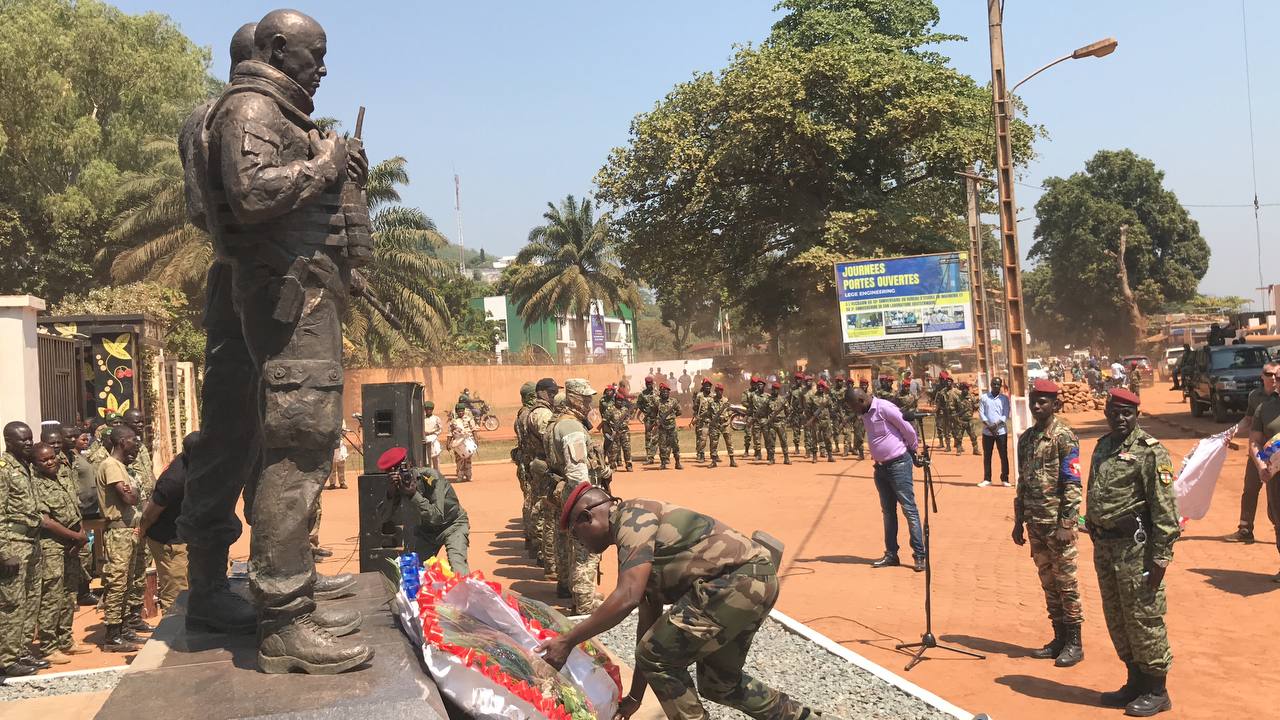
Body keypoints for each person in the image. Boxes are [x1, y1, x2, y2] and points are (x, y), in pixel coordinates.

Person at [179, 10, 370, 672]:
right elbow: (243, 198)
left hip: (262, 283)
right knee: (285, 437)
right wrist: (323, 167)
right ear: (276, 49)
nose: (322, 69)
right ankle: (281, 612)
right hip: (274, 288)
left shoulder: (264, 114)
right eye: (315, 54)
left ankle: (277, 592)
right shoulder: (250, 112)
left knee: (254, 436)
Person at [539, 483, 831, 720]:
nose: (581, 545)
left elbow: (627, 597)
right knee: (720, 684)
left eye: (577, 536)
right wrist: (635, 698)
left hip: (736, 583)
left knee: (657, 655)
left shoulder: (632, 518)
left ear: (587, 517)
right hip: (751, 583)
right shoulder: (635, 545)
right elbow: (648, 626)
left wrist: (567, 641)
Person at [1086, 388, 1178, 716]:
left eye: (1127, 412)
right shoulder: (1102, 447)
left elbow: (1165, 510)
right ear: (1107, 412)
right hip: (1106, 548)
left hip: (1136, 550)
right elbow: (1095, 493)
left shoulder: (1150, 452)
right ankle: (1135, 680)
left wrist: (1161, 559)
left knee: (1144, 617)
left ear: (1137, 414)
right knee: (1118, 617)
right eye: (1115, 411)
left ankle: (1157, 689)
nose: (1121, 418)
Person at [1011, 380, 1085, 668]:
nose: (1036, 406)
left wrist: (1068, 523)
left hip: (1058, 526)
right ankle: (1059, 638)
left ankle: (1075, 643)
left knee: (1067, 584)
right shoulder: (1026, 439)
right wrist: (1018, 520)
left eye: (1043, 401)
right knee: (1048, 582)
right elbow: (1023, 483)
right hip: (1035, 523)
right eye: (1034, 400)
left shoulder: (1065, 437)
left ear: (1056, 405)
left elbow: (1073, 483)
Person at [545, 379, 611, 614]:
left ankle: (581, 595)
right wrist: (590, 502)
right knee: (586, 551)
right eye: (585, 398)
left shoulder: (559, 423)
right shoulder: (571, 428)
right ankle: (584, 607)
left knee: (573, 547)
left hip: (567, 494)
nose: (589, 402)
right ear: (572, 397)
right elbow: (577, 472)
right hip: (580, 497)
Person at [842, 387, 925, 571]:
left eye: (853, 406)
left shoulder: (885, 408)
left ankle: (919, 555)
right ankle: (891, 554)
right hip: (880, 469)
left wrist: (913, 451)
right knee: (888, 512)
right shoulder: (864, 412)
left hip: (899, 465)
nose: (853, 411)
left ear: (861, 400)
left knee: (909, 510)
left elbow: (908, 430)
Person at [31, 442, 89, 664]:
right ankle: (48, 647)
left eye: (52, 457)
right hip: (52, 546)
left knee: (69, 593)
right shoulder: (36, 483)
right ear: (35, 463)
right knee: (52, 597)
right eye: (43, 460)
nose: (49, 462)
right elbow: (45, 522)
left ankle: (66, 639)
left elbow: (75, 508)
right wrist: (75, 537)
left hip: (73, 544)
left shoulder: (63, 475)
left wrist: (80, 533)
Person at [376, 447, 470, 575]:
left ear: (408, 464)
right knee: (414, 575)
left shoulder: (431, 477)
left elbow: (437, 516)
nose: (402, 475)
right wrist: (391, 494)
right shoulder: (397, 486)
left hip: (453, 525)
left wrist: (414, 495)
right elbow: (383, 517)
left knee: (459, 570)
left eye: (402, 468)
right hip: (426, 531)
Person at [96, 425, 148, 653]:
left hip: (129, 530)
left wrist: (134, 495)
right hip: (118, 532)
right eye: (131, 439)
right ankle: (112, 634)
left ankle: (124, 625)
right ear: (120, 442)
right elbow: (128, 497)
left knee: (128, 582)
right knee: (117, 583)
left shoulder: (123, 467)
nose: (135, 443)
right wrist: (132, 495)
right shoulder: (111, 466)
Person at [1, 422, 46, 677]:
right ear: (9, 441)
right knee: (12, 603)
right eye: (23, 440)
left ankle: (21, 650)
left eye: (30, 439)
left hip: (32, 541)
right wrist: (4, 551)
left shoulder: (26, 466)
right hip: (14, 543)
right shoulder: (4, 470)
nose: (29, 443)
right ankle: (6, 659)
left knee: (31, 600)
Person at [137, 433, 198, 614]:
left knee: (195, 586)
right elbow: (150, 513)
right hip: (168, 540)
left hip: (186, 535)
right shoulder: (174, 480)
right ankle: (171, 636)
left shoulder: (192, 464)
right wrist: (142, 530)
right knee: (176, 594)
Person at [1247, 365, 1280, 580]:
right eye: (1276, 377)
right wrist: (1260, 467)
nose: (1276, 380)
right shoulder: (1265, 409)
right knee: (1279, 520)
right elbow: (1254, 442)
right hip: (1276, 476)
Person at [513, 383, 538, 556]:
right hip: (530, 465)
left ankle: (531, 539)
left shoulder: (521, 414)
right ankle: (534, 542)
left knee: (529, 501)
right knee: (533, 502)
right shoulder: (528, 415)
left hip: (525, 463)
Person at [979, 377, 1012, 487]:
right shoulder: (984, 398)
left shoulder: (1004, 399)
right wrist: (989, 426)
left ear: (1001, 385)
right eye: (994, 384)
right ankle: (987, 479)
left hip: (1001, 432)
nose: (996, 386)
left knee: (1003, 455)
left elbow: (1005, 414)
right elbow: (982, 414)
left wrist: (996, 425)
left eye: (998, 384)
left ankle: (1005, 479)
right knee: (987, 455)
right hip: (987, 432)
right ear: (991, 384)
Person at [704, 383, 738, 468]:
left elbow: (730, 411)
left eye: (721, 391)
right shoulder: (711, 401)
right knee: (713, 444)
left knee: (729, 442)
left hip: (725, 424)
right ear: (715, 391)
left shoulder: (726, 401)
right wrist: (709, 420)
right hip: (715, 425)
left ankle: (732, 460)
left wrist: (727, 416)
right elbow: (708, 413)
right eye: (718, 391)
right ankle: (714, 461)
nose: (719, 392)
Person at [761, 382, 791, 465]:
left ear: (778, 390)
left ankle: (786, 458)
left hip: (781, 423)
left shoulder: (783, 400)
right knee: (771, 442)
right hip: (771, 424)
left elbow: (788, 411)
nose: (775, 391)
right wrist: (766, 420)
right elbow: (764, 412)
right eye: (773, 389)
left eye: (776, 389)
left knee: (784, 441)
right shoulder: (768, 400)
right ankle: (771, 458)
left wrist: (785, 421)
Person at [654, 383, 683, 470]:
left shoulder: (673, 401)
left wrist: (672, 416)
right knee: (662, 446)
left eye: (667, 392)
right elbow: (654, 413)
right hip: (662, 428)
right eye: (663, 392)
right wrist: (657, 420)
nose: (665, 393)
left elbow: (679, 411)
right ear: (661, 393)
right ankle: (663, 463)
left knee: (675, 445)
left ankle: (677, 463)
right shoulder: (657, 402)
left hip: (672, 428)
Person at [604, 391, 634, 472]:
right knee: (613, 450)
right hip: (614, 432)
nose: (620, 402)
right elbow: (605, 421)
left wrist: (620, 425)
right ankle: (613, 466)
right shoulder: (610, 409)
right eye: (618, 400)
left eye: (621, 401)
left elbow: (627, 420)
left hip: (624, 432)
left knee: (627, 449)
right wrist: (609, 431)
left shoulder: (625, 410)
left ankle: (629, 466)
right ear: (615, 400)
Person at [807, 380, 836, 463]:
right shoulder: (812, 397)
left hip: (826, 421)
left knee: (828, 438)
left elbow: (832, 408)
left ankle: (830, 456)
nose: (820, 388)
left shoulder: (827, 397)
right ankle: (815, 456)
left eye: (822, 387)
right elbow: (808, 410)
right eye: (819, 386)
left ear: (824, 388)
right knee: (814, 439)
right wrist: (811, 419)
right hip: (816, 422)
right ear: (817, 387)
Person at [448, 403, 478, 483]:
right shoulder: (454, 421)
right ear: (456, 412)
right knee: (459, 460)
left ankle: (469, 475)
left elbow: (474, 430)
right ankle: (460, 476)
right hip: (458, 443)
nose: (460, 413)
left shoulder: (469, 419)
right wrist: (448, 443)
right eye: (459, 411)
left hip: (468, 441)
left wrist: (476, 440)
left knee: (468, 459)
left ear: (464, 411)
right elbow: (450, 433)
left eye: (462, 411)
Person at [635, 376, 660, 464]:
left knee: (657, 437)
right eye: (648, 384)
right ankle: (650, 457)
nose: (649, 385)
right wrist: (644, 410)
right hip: (648, 419)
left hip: (657, 417)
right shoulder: (642, 394)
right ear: (646, 384)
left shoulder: (657, 393)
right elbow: (638, 404)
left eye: (650, 383)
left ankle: (663, 456)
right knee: (648, 437)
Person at [692, 379, 713, 462]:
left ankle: (714, 454)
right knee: (701, 439)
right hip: (702, 421)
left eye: (709, 385)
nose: (707, 387)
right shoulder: (699, 396)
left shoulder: (713, 396)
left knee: (713, 438)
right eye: (706, 385)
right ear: (703, 386)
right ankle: (701, 454)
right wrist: (697, 417)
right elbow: (695, 408)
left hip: (712, 420)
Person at [421, 401, 443, 473]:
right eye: (427, 409)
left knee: (435, 457)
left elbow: (440, 429)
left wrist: (434, 433)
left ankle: (437, 474)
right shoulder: (422, 418)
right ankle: (429, 474)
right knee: (427, 458)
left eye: (430, 409)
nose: (428, 411)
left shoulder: (436, 418)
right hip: (425, 439)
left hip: (434, 439)